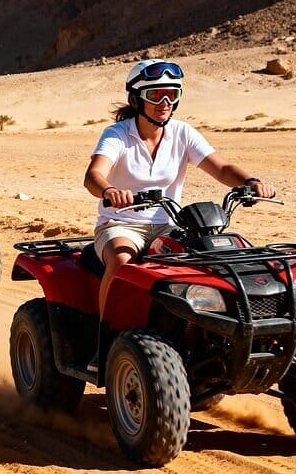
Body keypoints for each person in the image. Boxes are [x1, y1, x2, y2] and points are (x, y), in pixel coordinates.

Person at [83, 58, 275, 371]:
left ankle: (210, 338)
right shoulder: (117, 134)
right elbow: (94, 175)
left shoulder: (182, 133)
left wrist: (250, 182)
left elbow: (221, 167)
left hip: (169, 224)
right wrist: (109, 191)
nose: (164, 102)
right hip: (121, 223)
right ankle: (103, 344)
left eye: (171, 94)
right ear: (137, 99)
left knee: (212, 261)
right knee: (121, 260)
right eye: (155, 94)